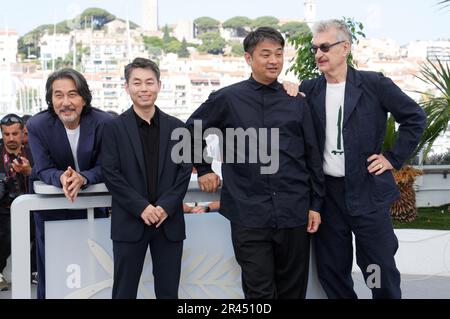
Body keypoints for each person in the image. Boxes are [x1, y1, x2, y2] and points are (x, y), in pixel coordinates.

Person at [186, 27, 325, 299]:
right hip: (248, 213)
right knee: (258, 292)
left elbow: (312, 155)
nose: (274, 60)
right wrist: (203, 168)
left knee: (292, 292)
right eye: (265, 54)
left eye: (279, 54)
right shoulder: (227, 98)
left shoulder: (296, 101)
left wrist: (315, 205)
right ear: (249, 59)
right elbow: (191, 131)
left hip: (294, 212)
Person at [296, 19, 426, 299]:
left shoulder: (374, 84)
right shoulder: (309, 89)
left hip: (367, 192)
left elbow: (414, 118)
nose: (319, 53)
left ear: (345, 48)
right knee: (331, 269)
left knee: (377, 267)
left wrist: (392, 157)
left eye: (325, 47)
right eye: (315, 48)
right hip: (327, 197)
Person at [101, 58, 192, 299]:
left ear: (159, 85)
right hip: (130, 222)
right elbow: (111, 174)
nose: (144, 88)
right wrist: (141, 207)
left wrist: (165, 207)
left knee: (168, 292)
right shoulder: (112, 129)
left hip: (168, 222)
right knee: (124, 291)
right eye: (137, 82)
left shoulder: (178, 127)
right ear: (127, 87)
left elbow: (184, 172)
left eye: (149, 82)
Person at [27, 68, 112, 299]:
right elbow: (43, 168)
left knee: (94, 270)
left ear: (84, 98)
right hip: (51, 212)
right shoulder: (37, 125)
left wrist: (83, 177)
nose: (66, 102)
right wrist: (62, 177)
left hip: (92, 208)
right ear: (50, 99)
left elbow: (109, 166)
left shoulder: (105, 122)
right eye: (58, 95)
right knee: (52, 272)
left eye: (72, 94)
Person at [0, 114, 36, 291]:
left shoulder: (34, 151)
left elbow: (46, 174)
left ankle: (35, 271)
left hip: (32, 205)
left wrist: (29, 171)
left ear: (23, 133)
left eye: (15, 133)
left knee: (42, 229)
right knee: (4, 233)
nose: (11, 138)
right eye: (6, 134)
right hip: (4, 208)